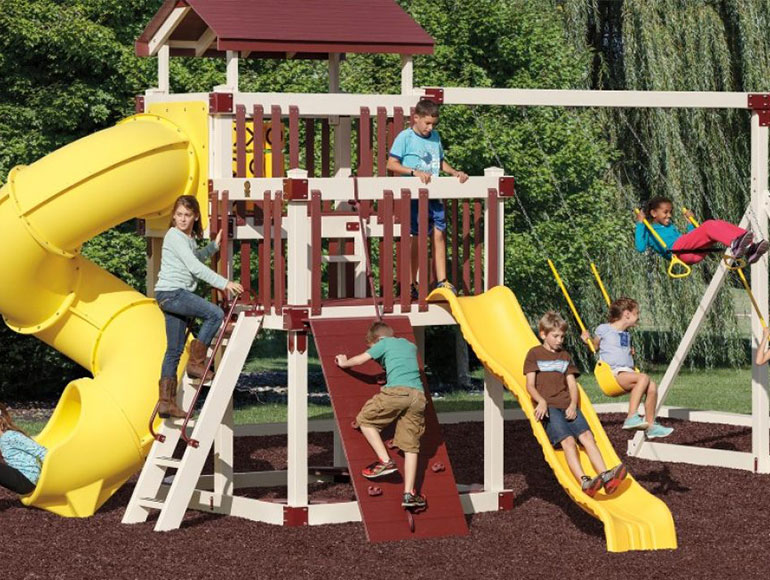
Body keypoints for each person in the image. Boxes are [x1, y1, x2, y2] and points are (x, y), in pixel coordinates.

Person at [154, 195, 243, 419]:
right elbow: (194, 267)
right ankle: (196, 363)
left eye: (187, 215)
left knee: (173, 350)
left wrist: (213, 247)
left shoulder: (186, 239)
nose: (183, 219)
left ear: (195, 217)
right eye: (179, 215)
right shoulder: (174, 236)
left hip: (167, 295)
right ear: (173, 216)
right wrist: (225, 284)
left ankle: (166, 402)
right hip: (173, 293)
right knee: (214, 314)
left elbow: (195, 257)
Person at [525, 311, 628, 497]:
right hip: (549, 408)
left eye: (562, 336)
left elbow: (572, 384)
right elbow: (530, 385)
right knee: (569, 441)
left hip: (567, 405)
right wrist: (540, 401)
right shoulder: (534, 354)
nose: (559, 340)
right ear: (543, 334)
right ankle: (585, 481)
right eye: (555, 336)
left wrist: (573, 404)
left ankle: (606, 476)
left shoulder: (564, 356)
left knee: (587, 436)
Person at [335, 321, 427, 508]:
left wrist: (344, 363)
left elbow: (360, 360)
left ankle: (385, 461)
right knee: (411, 447)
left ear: (377, 340)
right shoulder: (409, 345)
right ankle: (409, 494)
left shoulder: (383, 343)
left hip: (397, 392)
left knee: (365, 420)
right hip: (418, 397)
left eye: (372, 346)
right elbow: (398, 362)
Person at [386, 99, 469, 299]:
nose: (430, 127)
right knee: (415, 237)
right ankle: (410, 283)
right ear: (416, 118)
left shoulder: (435, 137)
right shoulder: (405, 137)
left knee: (439, 233)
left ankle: (442, 281)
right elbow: (391, 164)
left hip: (434, 193)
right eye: (427, 123)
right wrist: (413, 172)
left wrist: (454, 172)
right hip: (414, 196)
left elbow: (439, 162)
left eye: (434, 124)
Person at [581, 297, 673, 439]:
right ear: (627, 314)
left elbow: (619, 349)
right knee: (644, 377)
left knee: (653, 386)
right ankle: (631, 417)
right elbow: (595, 347)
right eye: (637, 313)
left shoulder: (626, 334)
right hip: (612, 374)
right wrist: (587, 340)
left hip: (627, 371)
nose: (639, 316)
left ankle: (651, 425)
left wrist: (628, 352)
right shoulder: (604, 329)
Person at [635, 196, 768, 265]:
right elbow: (640, 248)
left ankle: (751, 249)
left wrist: (690, 224)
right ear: (653, 213)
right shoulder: (648, 230)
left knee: (717, 224)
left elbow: (693, 238)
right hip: (678, 252)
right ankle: (736, 244)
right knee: (709, 225)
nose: (669, 215)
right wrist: (640, 224)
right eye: (665, 212)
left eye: (670, 212)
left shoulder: (669, 226)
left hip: (693, 252)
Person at [0, 403, 47, 496]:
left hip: (27, 480)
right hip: (21, 478)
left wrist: (50, 478)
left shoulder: (11, 436)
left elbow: (41, 452)